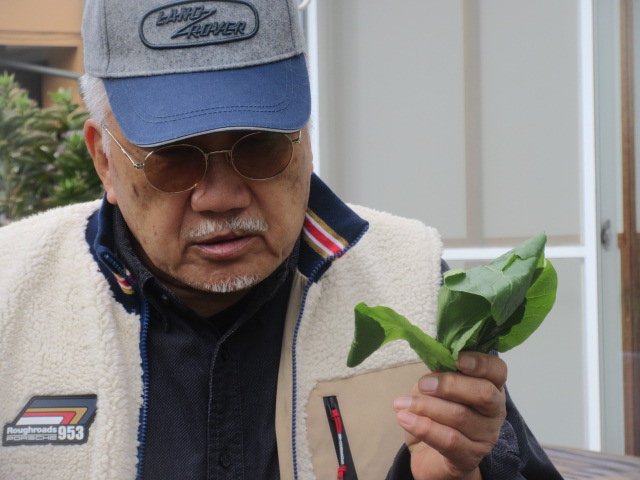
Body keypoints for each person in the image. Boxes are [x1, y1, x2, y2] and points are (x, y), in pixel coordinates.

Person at [0, 0, 563, 479]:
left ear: (306, 140)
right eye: (173, 157)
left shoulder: (412, 283)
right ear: (103, 159)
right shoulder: (10, 292)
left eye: (260, 144)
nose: (221, 197)